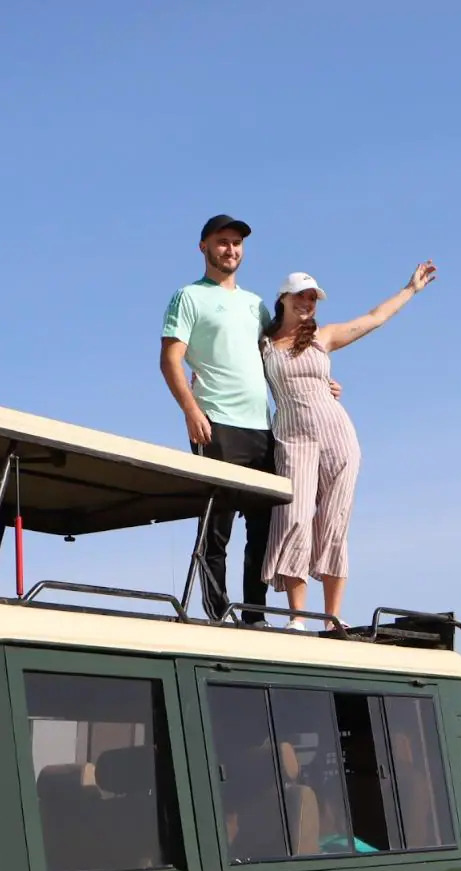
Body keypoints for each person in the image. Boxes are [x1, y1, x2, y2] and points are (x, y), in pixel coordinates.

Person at [259, 262, 437, 626]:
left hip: (337, 434)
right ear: (283, 299)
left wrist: (410, 289)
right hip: (293, 439)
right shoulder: (263, 343)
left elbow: (373, 318)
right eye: (301, 296)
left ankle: (331, 619)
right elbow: (228, 360)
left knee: (335, 521)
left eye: (313, 298)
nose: (308, 303)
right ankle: (297, 619)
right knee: (294, 518)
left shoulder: (322, 337)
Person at [159, 214, 277, 623]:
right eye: (222, 242)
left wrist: (322, 386)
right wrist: (192, 410)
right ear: (204, 248)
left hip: (263, 427)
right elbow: (170, 360)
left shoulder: (256, 304)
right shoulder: (188, 296)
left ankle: (255, 614)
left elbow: (280, 355)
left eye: (237, 243)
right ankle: (216, 613)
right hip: (216, 423)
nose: (231, 249)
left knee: (263, 527)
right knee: (217, 527)